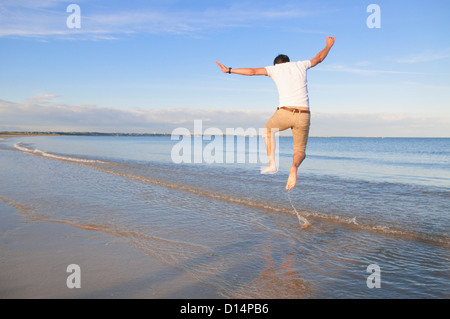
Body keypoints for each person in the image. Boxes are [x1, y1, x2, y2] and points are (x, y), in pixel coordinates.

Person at [215, 36, 335, 190]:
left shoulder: (274, 69)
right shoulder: (300, 65)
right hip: (304, 114)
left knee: (267, 131)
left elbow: (251, 72)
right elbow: (319, 58)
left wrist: (229, 70)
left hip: (285, 112)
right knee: (300, 151)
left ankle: (272, 163)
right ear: (288, 61)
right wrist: (328, 45)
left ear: (276, 64)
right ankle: (294, 167)